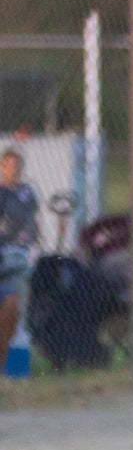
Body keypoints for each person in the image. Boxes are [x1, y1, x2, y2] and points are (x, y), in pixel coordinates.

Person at [0, 148, 39, 372]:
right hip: (4, 257)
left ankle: (8, 367)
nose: (14, 170)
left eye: (17, 165)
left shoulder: (26, 193)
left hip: (21, 258)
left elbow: (33, 222)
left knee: (15, 309)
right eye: (9, 165)